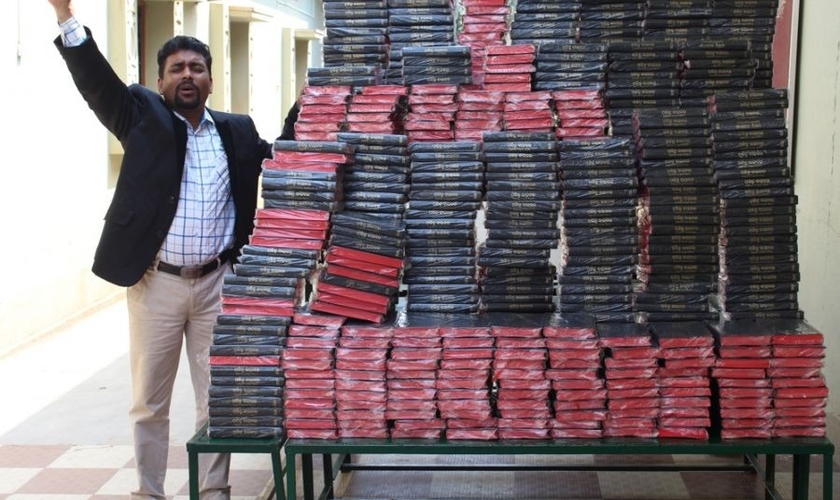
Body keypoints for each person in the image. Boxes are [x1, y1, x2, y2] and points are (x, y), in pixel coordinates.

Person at [47, 1, 297, 498]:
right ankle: (150, 491)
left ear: (210, 80)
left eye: (197, 68)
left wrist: (316, 101)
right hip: (156, 284)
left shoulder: (237, 130)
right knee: (149, 402)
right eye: (177, 69)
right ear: (160, 82)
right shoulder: (140, 117)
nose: (188, 75)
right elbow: (96, 82)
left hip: (216, 286)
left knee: (215, 398)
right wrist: (63, 13)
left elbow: (284, 158)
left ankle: (213, 490)